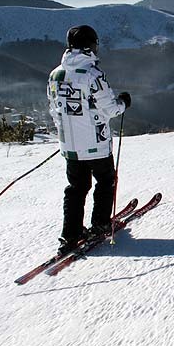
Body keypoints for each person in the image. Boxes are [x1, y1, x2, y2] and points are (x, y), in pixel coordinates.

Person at [47, 25, 132, 255]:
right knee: (105, 181)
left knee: (76, 188)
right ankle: (100, 224)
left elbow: (55, 110)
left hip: (70, 146)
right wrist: (124, 102)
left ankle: (70, 233)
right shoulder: (93, 75)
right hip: (96, 144)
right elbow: (110, 109)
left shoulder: (56, 75)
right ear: (89, 46)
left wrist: (66, 133)